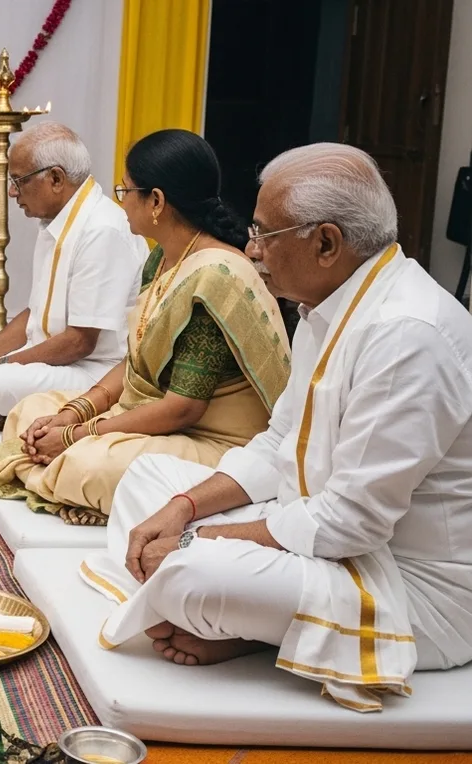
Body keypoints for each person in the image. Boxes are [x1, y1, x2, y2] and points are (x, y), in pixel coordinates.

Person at [81, 143, 472, 712]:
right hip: (323, 538)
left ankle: (223, 618)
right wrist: (185, 510)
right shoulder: (328, 304)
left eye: (265, 233)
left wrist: (199, 540)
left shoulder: (406, 334)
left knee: (197, 572)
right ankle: (233, 623)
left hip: (405, 587)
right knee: (149, 481)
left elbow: (352, 524)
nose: (251, 247)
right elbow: (276, 445)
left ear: (326, 242)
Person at [0, 130, 291, 525]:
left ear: (155, 201)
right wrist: (75, 413)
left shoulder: (213, 278)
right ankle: (55, 476)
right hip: (155, 415)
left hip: (214, 442)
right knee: (31, 413)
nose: (119, 201)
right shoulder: (161, 259)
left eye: (125, 189)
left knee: (86, 465)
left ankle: (60, 478)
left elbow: (182, 409)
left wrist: (77, 435)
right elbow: (135, 362)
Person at [0, 122, 149, 431]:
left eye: (18, 180)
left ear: (56, 179)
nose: (11, 192)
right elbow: (37, 312)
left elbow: (80, 342)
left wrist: (0, 364)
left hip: (91, 371)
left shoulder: (103, 230)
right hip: (44, 356)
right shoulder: (57, 220)